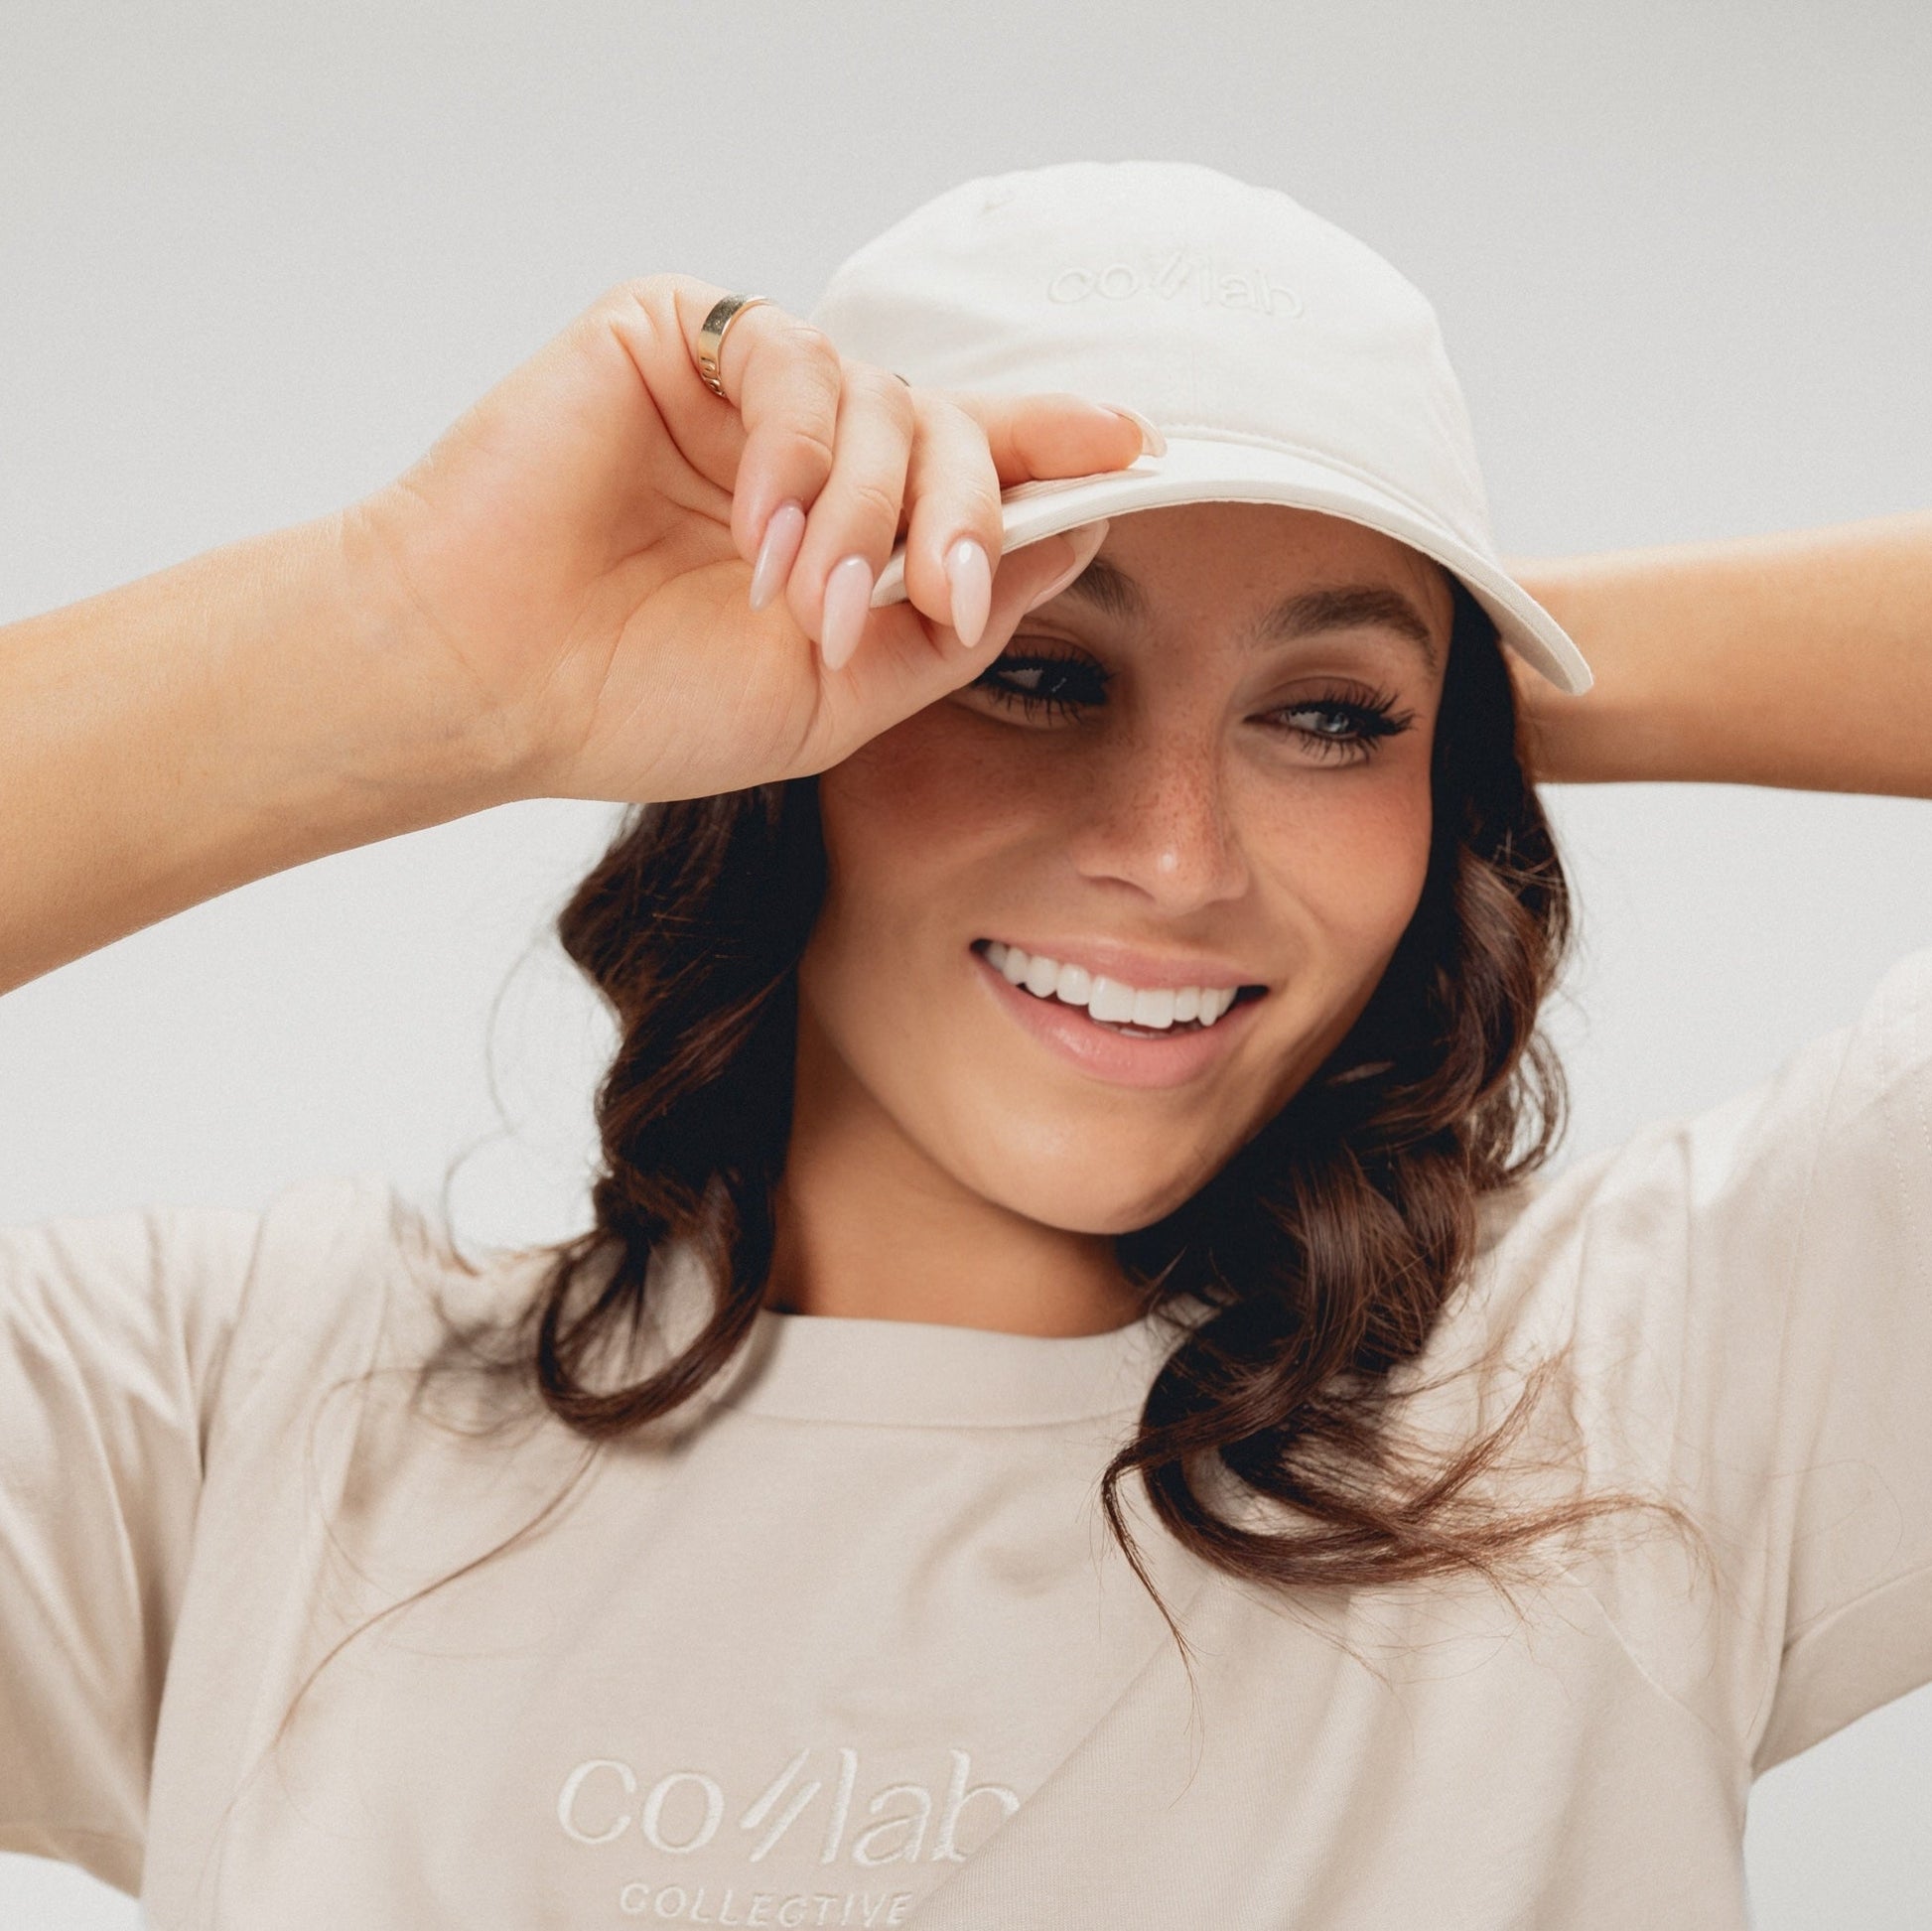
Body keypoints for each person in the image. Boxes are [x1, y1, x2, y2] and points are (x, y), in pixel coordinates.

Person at [3, 160, 1930, 1931]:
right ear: (786, 731)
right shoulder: (236, 1427)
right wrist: (411, 638)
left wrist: (1480, 652)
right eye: (1030, 669)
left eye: (1331, 718)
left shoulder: (1657, 1388)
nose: (1176, 856)